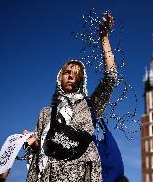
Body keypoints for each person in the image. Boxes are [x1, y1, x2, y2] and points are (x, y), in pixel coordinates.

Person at [23, 13, 117, 182]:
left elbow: (111, 77)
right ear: (60, 77)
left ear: (82, 80)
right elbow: (41, 148)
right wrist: (32, 142)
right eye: (68, 72)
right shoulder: (46, 113)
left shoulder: (91, 105)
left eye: (76, 74)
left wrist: (104, 38)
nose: (71, 76)